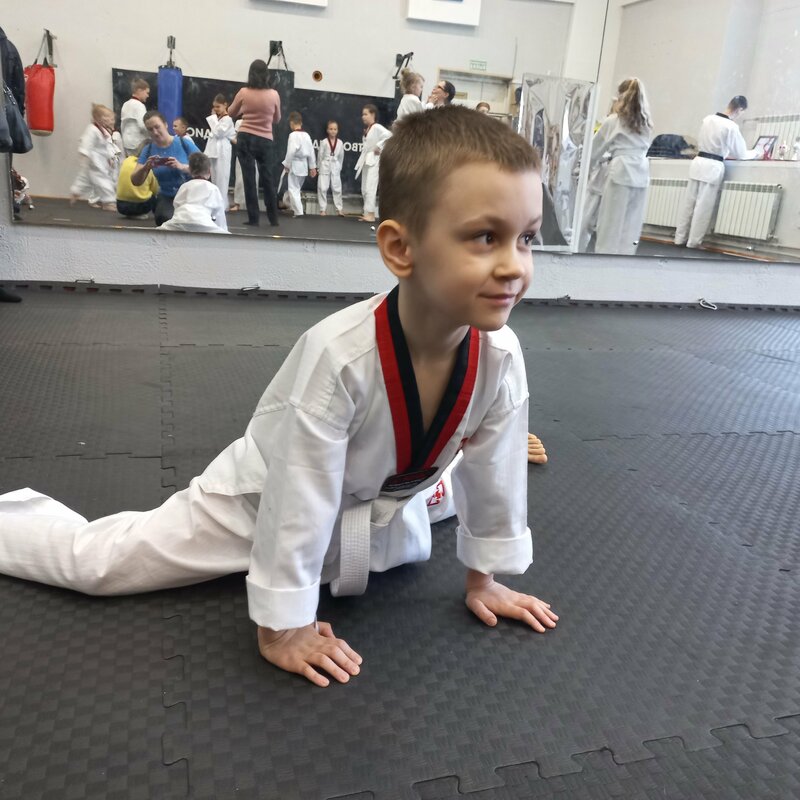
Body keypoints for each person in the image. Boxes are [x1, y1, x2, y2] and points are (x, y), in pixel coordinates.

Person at [0, 105, 557, 688]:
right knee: (98, 565)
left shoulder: (502, 354)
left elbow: (495, 482)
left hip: (390, 489)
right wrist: (283, 625)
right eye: (486, 237)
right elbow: (299, 494)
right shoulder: (340, 357)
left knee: (486, 458)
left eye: (526, 239)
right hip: (262, 498)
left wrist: (486, 579)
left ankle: (462, 447)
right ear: (400, 248)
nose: (514, 266)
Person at [674, 95, 756, 250]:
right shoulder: (731, 126)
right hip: (712, 167)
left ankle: (679, 238)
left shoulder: (707, 119)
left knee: (688, 204)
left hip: (698, 163)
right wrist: (756, 152)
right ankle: (693, 242)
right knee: (702, 207)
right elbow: (741, 153)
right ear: (739, 110)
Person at [590, 78, 653, 255]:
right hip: (641, 173)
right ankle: (626, 258)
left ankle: (604, 257)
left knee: (610, 223)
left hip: (621, 172)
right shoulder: (646, 124)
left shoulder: (613, 121)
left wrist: (585, 168)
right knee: (632, 224)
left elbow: (594, 150)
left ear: (620, 97)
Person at [229, 59, 282, 227]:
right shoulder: (274, 94)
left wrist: (245, 110)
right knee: (268, 179)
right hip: (265, 140)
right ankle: (273, 219)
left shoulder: (243, 92)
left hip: (245, 137)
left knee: (249, 179)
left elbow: (231, 112)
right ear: (267, 75)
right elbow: (277, 119)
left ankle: (254, 218)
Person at [131, 110, 200, 226]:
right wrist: (145, 168)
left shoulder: (184, 143)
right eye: (150, 129)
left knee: (190, 222)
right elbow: (135, 181)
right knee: (164, 219)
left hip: (190, 195)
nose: (155, 132)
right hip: (167, 196)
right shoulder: (148, 149)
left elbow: (204, 170)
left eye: (157, 127)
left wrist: (181, 166)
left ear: (166, 125)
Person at [159, 152, 228, 234]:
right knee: (223, 234)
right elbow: (219, 215)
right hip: (203, 223)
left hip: (180, 221)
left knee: (160, 231)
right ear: (209, 171)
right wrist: (224, 231)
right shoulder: (213, 189)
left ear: (190, 170)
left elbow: (177, 206)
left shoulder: (184, 186)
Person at [70, 103, 121, 212]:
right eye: (107, 117)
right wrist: (84, 154)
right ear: (98, 118)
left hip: (100, 160)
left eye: (112, 118)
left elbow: (108, 147)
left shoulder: (103, 131)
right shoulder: (92, 129)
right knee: (104, 181)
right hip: (95, 161)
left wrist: (111, 158)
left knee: (85, 178)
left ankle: (76, 192)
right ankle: (108, 202)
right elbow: (86, 142)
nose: (110, 120)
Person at [355, 104, 391, 223]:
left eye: (365, 114)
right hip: (366, 159)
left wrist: (379, 146)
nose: (363, 117)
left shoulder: (376, 127)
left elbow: (389, 135)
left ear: (373, 114)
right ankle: (367, 212)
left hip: (374, 160)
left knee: (370, 186)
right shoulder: (368, 129)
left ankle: (371, 214)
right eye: (362, 114)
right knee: (364, 188)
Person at [281, 111, 317, 217]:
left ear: (292, 123)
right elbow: (311, 152)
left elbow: (291, 152)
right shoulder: (307, 135)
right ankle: (292, 207)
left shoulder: (293, 135)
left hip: (295, 164)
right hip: (304, 166)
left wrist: (287, 164)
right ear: (301, 123)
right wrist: (313, 167)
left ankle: (298, 211)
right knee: (296, 189)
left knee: (293, 189)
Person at [205, 94, 236, 210]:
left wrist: (213, 118)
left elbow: (219, 133)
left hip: (223, 151)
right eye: (214, 107)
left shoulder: (228, 119)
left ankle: (222, 205)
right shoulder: (218, 119)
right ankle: (215, 202)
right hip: (214, 151)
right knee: (214, 178)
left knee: (222, 178)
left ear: (225, 105)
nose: (216, 109)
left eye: (218, 107)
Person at [116, 142, 158, 219]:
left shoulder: (127, 160)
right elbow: (155, 190)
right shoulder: (150, 167)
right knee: (159, 196)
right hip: (140, 206)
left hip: (120, 205)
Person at [317, 119, 345, 216]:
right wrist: (319, 167)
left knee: (337, 188)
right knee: (322, 188)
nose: (333, 131)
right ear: (327, 130)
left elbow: (341, 156)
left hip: (335, 166)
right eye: (331, 129)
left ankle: (339, 209)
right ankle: (322, 209)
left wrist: (339, 167)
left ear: (337, 130)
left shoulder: (340, 143)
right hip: (325, 165)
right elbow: (320, 155)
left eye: (335, 129)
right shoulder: (324, 142)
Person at [119, 78, 150, 156]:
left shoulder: (125, 104)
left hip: (127, 142)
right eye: (146, 93)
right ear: (139, 91)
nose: (148, 96)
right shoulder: (139, 105)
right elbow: (143, 125)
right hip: (138, 143)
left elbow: (122, 125)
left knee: (130, 161)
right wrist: (152, 136)